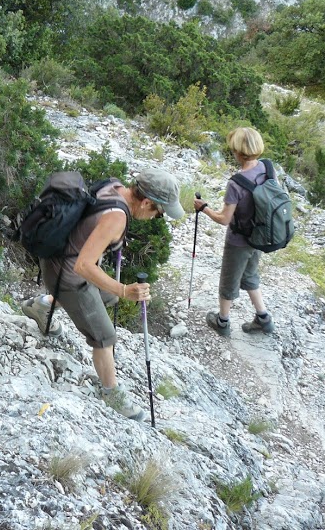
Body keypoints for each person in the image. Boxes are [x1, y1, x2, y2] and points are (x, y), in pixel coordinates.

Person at [23, 169, 185, 421]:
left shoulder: (114, 186)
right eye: (158, 212)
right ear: (145, 202)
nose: (156, 218)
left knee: (108, 298)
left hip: (56, 259)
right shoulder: (117, 218)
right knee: (105, 336)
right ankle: (111, 393)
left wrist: (116, 291)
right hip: (67, 275)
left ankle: (43, 305)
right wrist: (123, 289)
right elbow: (83, 267)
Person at [194, 127, 276, 336]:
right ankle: (263, 318)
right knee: (250, 275)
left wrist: (203, 208)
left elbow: (224, 219)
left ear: (238, 152)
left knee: (229, 281)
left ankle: (222, 321)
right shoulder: (267, 168)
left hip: (238, 241)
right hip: (259, 235)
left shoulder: (236, 183)